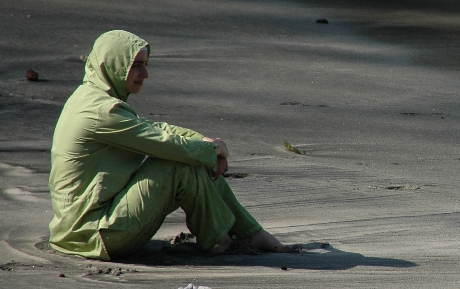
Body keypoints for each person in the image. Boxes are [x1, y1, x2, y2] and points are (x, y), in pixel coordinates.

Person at [48, 30, 287, 260]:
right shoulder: (103, 111)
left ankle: (249, 232)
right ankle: (220, 240)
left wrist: (207, 143)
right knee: (179, 164)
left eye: (145, 64)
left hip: (85, 229)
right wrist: (212, 151)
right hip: (93, 233)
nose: (145, 74)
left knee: (189, 156)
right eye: (136, 66)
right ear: (114, 65)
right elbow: (164, 144)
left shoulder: (91, 97)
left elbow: (157, 129)